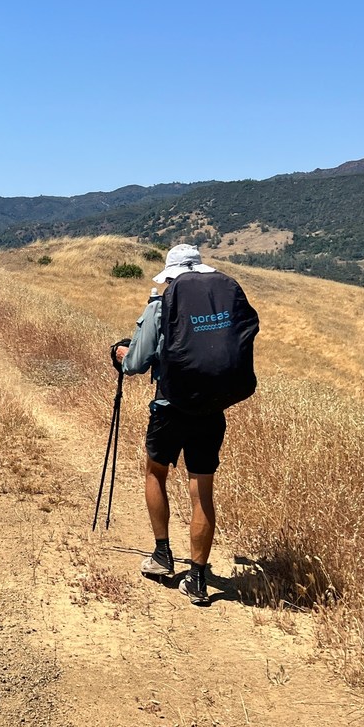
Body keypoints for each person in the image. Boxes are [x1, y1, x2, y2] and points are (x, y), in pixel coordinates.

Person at [112, 244, 246, 606]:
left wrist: (121, 353)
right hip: (212, 409)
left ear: (170, 276)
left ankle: (162, 555)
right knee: (201, 488)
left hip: (171, 407)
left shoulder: (162, 305)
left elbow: (136, 363)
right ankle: (199, 580)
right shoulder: (221, 306)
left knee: (155, 472)